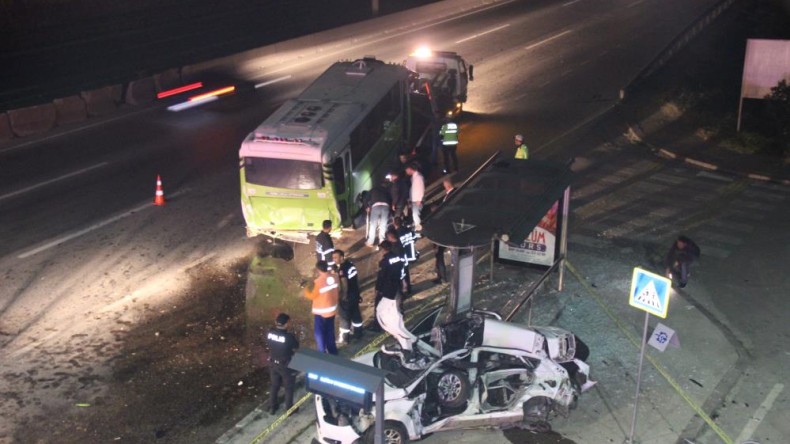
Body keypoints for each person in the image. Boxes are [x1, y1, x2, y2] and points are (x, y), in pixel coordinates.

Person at [375, 241, 418, 356]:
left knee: (382, 310)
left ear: (384, 249)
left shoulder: (384, 262)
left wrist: (378, 289)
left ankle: (404, 341)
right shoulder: (397, 258)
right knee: (396, 308)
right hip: (397, 286)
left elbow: (382, 276)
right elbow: (402, 270)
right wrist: (404, 283)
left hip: (387, 289)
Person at [266, 312, 299, 415]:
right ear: (286, 323)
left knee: (274, 385)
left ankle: (272, 406)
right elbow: (296, 347)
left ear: (276, 322)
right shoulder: (289, 337)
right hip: (286, 365)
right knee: (289, 387)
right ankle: (289, 409)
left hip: (273, 363)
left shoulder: (270, 333)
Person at [303, 261, 339, 354]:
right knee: (330, 332)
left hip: (321, 313)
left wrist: (305, 288)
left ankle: (322, 353)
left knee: (320, 335)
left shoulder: (318, 282)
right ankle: (333, 352)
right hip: (332, 311)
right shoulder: (335, 277)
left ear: (318, 269)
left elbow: (311, 296)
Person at [332, 250, 363, 344]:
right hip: (355, 294)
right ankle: (358, 333)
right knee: (356, 314)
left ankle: (345, 338)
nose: (334, 260)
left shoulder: (342, 269)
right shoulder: (351, 265)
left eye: (335, 257)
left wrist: (344, 296)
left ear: (342, 257)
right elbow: (356, 280)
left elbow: (344, 283)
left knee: (344, 317)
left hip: (348, 296)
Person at [385, 228, 411, 296]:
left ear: (391, 237)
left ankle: (405, 292)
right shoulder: (398, 243)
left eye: (388, 237)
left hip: (400, 266)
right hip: (404, 264)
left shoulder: (395, 247)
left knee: (402, 280)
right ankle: (408, 290)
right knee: (406, 278)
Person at [365, 182, 391, 247]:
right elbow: (391, 198)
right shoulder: (387, 190)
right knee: (383, 224)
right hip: (385, 206)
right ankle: (382, 240)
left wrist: (367, 207)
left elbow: (366, 199)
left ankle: (370, 242)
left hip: (376, 206)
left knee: (373, 225)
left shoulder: (373, 190)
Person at [405, 162, 425, 231]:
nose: (406, 172)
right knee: (415, 214)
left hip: (417, 200)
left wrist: (419, 199)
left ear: (410, 169)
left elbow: (421, 188)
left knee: (416, 214)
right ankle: (417, 227)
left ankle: (419, 229)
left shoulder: (418, 177)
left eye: (407, 170)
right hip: (414, 199)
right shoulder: (413, 177)